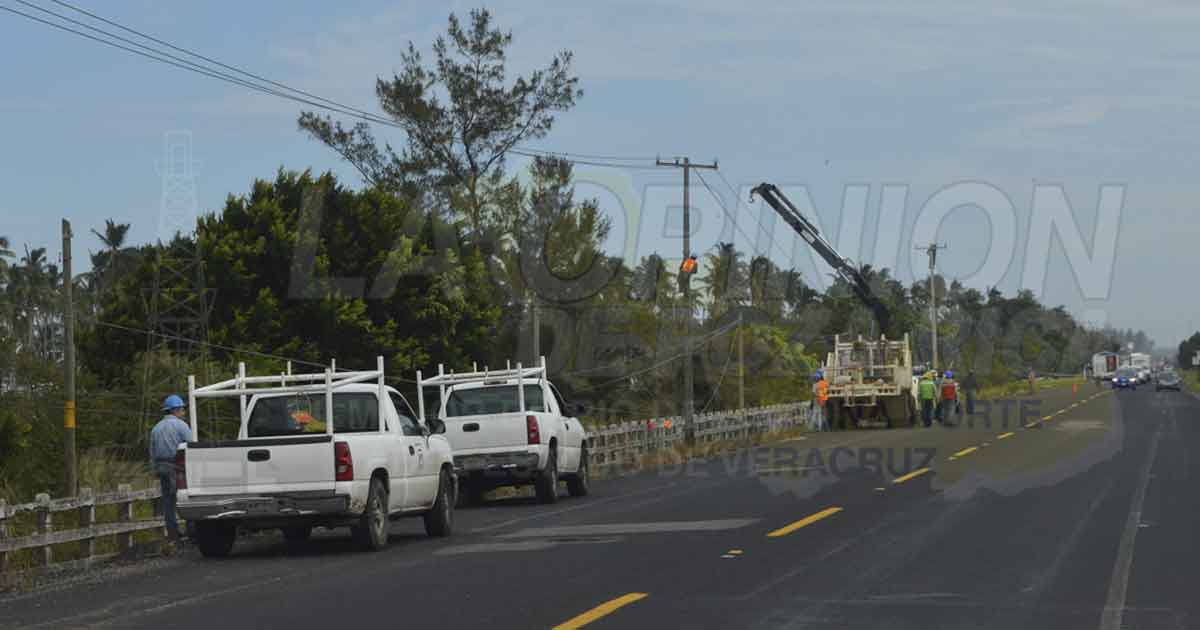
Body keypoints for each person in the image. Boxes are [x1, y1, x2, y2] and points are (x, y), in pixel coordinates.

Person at [149, 394, 192, 541]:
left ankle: (173, 534)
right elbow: (191, 446)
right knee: (184, 498)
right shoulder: (181, 426)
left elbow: (152, 451)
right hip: (177, 467)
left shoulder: (156, 428)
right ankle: (191, 531)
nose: (183, 413)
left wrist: (154, 468)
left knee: (168, 501)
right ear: (175, 410)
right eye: (182, 410)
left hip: (161, 467)